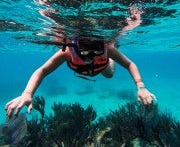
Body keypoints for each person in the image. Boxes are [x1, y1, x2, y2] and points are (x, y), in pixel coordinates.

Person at [5, 37, 156, 118]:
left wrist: (141, 87)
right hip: (82, 70)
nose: (90, 56)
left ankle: (110, 59)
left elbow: (129, 64)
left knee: (109, 75)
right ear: (76, 47)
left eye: (96, 50)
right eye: (85, 51)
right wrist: (27, 93)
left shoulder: (107, 48)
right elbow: (42, 70)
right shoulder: (67, 52)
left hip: (103, 68)